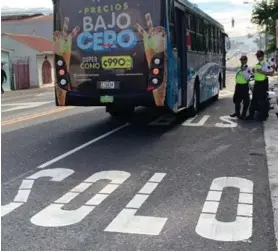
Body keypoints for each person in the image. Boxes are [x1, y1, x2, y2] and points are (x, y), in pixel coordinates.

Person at [247, 50, 274, 121]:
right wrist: (253, 72)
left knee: (262, 101)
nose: (258, 57)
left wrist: (262, 72)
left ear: (262, 56)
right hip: (257, 83)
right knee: (254, 100)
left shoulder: (265, 64)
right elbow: (256, 74)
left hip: (262, 84)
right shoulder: (257, 64)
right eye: (257, 56)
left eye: (259, 56)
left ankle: (262, 116)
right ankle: (251, 116)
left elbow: (271, 73)